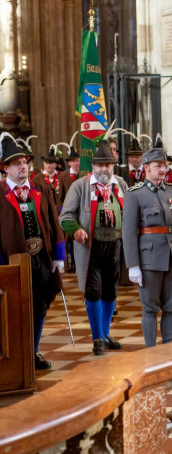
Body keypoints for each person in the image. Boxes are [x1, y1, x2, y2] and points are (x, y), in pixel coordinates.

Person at [0, 133, 65, 370]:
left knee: (40, 305)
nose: (23, 167)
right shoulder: (0, 194)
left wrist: (59, 255)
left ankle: (33, 351)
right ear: (5, 168)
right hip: (11, 262)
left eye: (24, 162)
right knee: (14, 309)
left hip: (41, 259)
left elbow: (54, 222)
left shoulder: (41, 188)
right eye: (16, 163)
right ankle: (16, 355)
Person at [122, 142, 172, 347]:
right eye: (158, 166)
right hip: (150, 258)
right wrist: (133, 265)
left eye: (164, 165)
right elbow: (128, 232)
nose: (163, 169)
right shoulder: (135, 194)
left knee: (171, 307)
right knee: (150, 308)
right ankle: (151, 352)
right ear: (146, 168)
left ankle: (169, 348)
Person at [59, 142, 127, 355]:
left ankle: (105, 334)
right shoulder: (80, 186)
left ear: (113, 165)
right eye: (99, 165)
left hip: (115, 246)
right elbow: (65, 216)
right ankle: (97, 337)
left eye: (108, 164)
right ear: (92, 166)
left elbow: (131, 212)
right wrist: (76, 230)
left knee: (110, 291)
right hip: (90, 248)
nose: (103, 169)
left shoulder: (121, 184)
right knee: (94, 291)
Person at [57, 138, 80, 272]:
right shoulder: (63, 177)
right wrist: (63, 212)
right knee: (69, 241)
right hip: (70, 213)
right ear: (69, 163)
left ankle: (78, 263)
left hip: (81, 213)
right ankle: (71, 264)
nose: (76, 163)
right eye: (73, 161)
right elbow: (60, 198)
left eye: (77, 160)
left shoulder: (84, 174)